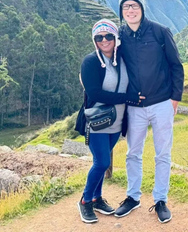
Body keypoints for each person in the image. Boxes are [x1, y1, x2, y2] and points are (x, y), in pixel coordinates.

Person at [114, 0, 184, 224]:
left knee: (163, 153)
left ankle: (161, 199)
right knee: (133, 153)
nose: (130, 10)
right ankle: (133, 197)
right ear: (121, 12)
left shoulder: (160, 32)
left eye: (134, 5)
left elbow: (176, 65)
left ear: (142, 8)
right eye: (126, 7)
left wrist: (175, 99)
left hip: (162, 102)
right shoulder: (120, 36)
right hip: (135, 107)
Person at [77, 19, 144, 224]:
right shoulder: (90, 62)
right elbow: (95, 93)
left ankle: (97, 198)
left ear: (116, 38)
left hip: (117, 121)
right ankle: (85, 200)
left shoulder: (123, 59)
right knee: (103, 162)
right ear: (94, 40)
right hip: (97, 121)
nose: (104, 40)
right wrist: (128, 97)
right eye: (99, 37)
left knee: (102, 161)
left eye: (108, 36)